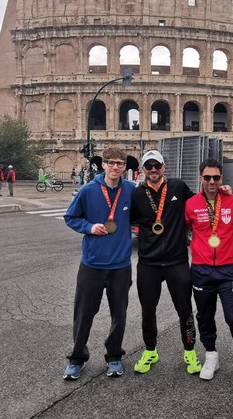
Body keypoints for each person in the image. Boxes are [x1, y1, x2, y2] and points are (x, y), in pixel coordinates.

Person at [184, 158, 233, 399]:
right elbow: (182, 230)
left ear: (222, 179)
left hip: (228, 271)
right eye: (207, 177)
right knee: (204, 316)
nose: (211, 182)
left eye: (216, 178)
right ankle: (211, 356)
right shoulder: (190, 204)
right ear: (201, 178)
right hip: (201, 270)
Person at [63, 147, 135, 380]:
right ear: (103, 165)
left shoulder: (132, 190)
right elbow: (71, 217)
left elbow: (153, 207)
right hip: (92, 265)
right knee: (84, 314)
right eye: (111, 163)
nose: (116, 167)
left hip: (120, 265)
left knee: (119, 314)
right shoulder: (88, 190)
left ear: (125, 167)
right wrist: (89, 227)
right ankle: (77, 358)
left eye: (120, 164)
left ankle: (114, 356)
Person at [129, 149, 201, 375]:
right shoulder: (137, 194)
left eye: (156, 166)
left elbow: (199, 204)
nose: (153, 170)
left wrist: (223, 192)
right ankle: (150, 350)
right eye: (148, 166)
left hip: (176, 261)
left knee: (185, 309)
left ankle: (189, 350)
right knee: (147, 310)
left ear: (163, 167)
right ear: (142, 169)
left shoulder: (178, 187)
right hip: (148, 263)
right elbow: (127, 221)